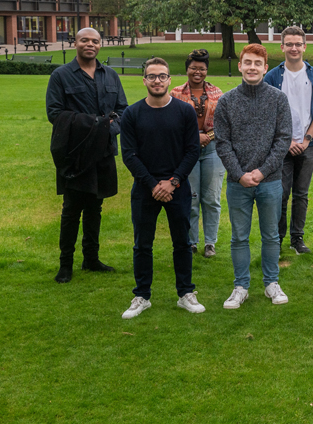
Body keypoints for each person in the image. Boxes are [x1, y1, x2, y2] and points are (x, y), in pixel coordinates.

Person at [120, 58, 203, 319]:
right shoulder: (132, 113)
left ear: (170, 80)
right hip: (145, 188)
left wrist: (173, 182)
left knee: (182, 242)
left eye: (162, 76)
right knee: (142, 244)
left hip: (177, 186)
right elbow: (129, 155)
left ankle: (185, 293)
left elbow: (192, 151)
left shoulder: (184, 111)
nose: (157, 81)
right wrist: (153, 184)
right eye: (152, 76)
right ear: (144, 80)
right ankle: (141, 295)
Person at [46, 27, 128, 283]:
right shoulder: (61, 76)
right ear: (75, 43)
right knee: (71, 209)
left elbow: (122, 111)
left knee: (96, 207)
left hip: (103, 153)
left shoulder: (111, 76)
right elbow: (55, 113)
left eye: (94, 41)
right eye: (84, 40)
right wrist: (94, 125)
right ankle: (65, 265)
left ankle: (91, 259)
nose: (89, 44)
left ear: (100, 45)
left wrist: (107, 129)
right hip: (75, 155)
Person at [215, 44, 293, 309]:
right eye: (247, 62)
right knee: (239, 237)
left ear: (265, 68)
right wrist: (239, 175)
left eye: (257, 63)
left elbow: (283, 141)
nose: (252, 67)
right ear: (240, 66)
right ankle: (241, 286)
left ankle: (271, 283)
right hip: (239, 183)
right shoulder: (226, 101)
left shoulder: (278, 99)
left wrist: (261, 171)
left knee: (271, 235)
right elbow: (222, 143)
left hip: (269, 181)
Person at [263, 26, 313, 255]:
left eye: (298, 44)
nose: (293, 48)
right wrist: (287, 141)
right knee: (280, 193)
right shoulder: (272, 76)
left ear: (304, 46)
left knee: (301, 194)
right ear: (282, 47)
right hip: (281, 146)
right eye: (289, 44)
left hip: (308, 145)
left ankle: (297, 239)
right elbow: (268, 112)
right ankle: (278, 240)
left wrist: (308, 138)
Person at [170, 49, 225, 258]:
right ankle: (191, 241)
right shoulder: (175, 93)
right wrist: (194, 137)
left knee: (211, 198)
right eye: (193, 68)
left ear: (206, 70)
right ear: (187, 69)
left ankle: (210, 242)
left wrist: (207, 136)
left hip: (212, 150)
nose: (197, 72)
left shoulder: (217, 93)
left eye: (201, 68)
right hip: (186, 151)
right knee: (190, 198)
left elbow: (223, 123)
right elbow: (173, 123)